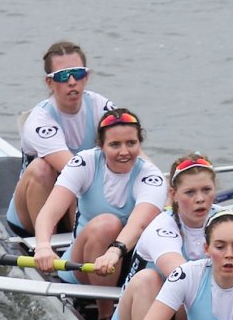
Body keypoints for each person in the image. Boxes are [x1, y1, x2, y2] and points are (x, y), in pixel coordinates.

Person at [110, 154, 233, 320]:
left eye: (206, 190)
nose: (200, 199)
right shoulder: (161, 228)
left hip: (185, 317)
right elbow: (185, 278)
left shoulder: (226, 221)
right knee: (148, 279)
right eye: (190, 192)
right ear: (173, 195)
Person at [30, 108, 164, 286]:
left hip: (129, 263)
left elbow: (138, 225)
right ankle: (104, 311)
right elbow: (49, 212)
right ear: (101, 145)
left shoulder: (151, 177)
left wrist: (113, 252)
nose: (124, 152)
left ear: (140, 143)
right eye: (115, 145)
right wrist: (43, 246)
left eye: (131, 143)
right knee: (108, 224)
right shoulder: (85, 163)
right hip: (81, 265)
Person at [10, 41, 116, 233]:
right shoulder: (40, 120)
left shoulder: (100, 106)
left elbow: (135, 153)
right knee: (43, 168)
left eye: (78, 73)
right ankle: (44, 246)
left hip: (75, 203)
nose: (72, 81)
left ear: (87, 76)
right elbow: (74, 169)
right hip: (30, 213)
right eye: (63, 76)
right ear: (49, 82)